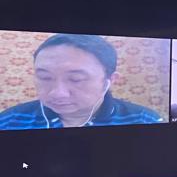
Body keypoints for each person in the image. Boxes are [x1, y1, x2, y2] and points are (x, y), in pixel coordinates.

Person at [0, 33, 164, 129]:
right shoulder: (9, 121)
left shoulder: (145, 120)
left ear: (109, 80)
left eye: (76, 79)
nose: (58, 93)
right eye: (45, 77)